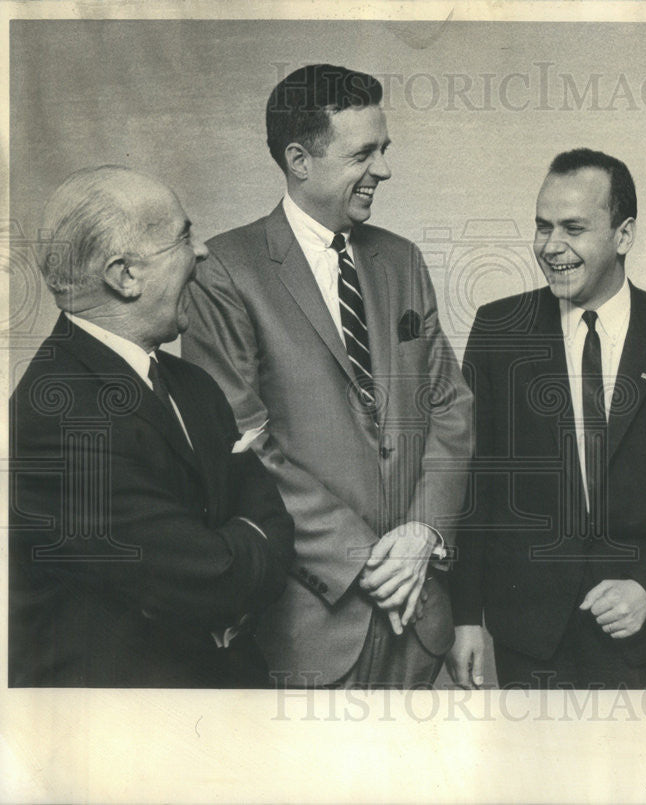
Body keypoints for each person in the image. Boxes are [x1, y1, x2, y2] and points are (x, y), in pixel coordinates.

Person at [181, 64, 473, 687]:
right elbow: (243, 444)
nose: (385, 170)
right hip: (308, 628)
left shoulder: (401, 260)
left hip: (419, 620)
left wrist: (423, 532)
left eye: (384, 149)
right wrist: (368, 561)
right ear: (299, 160)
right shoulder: (224, 272)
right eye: (364, 153)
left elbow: (450, 403)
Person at [447, 149, 646, 689]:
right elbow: (477, 484)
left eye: (574, 228)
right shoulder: (500, 332)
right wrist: (465, 616)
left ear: (624, 235)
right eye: (542, 227)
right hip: (531, 640)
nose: (551, 246)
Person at [9, 166, 295, 687]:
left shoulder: (193, 385)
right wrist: (245, 542)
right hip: (125, 732)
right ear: (125, 276)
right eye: (185, 236)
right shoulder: (57, 420)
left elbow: (266, 526)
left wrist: (232, 545)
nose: (203, 251)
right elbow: (213, 580)